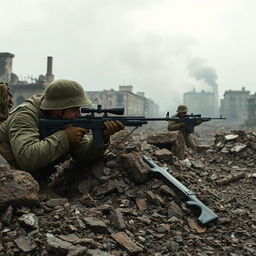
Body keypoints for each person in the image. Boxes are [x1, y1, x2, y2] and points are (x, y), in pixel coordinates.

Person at [0, 79, 124, 181]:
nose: (79, 114)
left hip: (30, 178)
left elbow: (83, 157)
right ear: (58, 109)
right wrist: (64, 137)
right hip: (7, 178)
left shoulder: (65, 120)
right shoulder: (25, 115)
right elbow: (26, 157)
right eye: (75, 109)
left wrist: (102, 137)